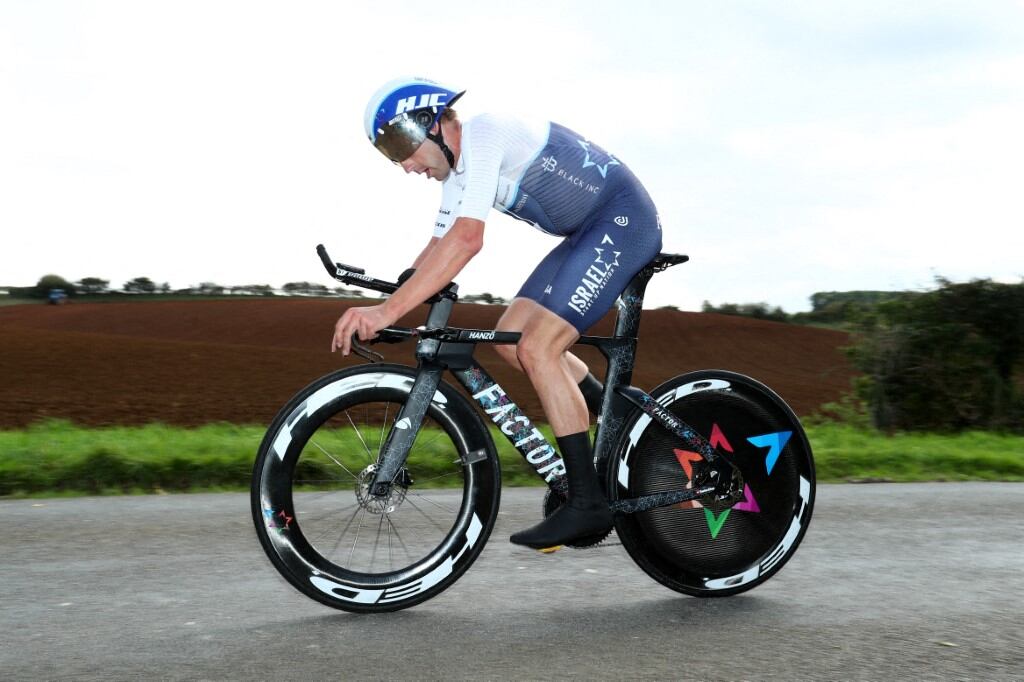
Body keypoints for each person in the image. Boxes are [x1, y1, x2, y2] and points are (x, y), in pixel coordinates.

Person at [332, 76, 662, 551]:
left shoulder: (485, 134)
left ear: (433, 122)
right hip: (588, 231)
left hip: (621, 220)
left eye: (401, 144)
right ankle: (619, 413)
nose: (405, 165)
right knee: (512, 338)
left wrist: (385, 312)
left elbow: (466, 240)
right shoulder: (458, 174)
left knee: (539, 347)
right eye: (391, 155)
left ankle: (588, 504)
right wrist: (396, 296)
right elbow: (438, 248)